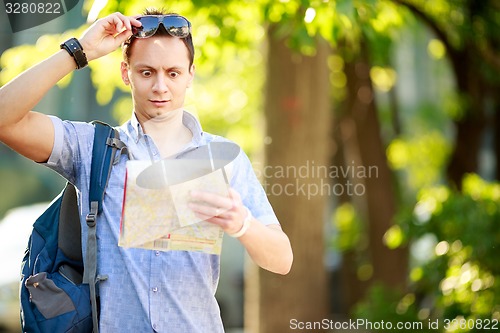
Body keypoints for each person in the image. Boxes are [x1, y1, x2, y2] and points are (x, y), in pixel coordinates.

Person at [0, 8, 293, 333]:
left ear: (191, 75)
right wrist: (79, 51)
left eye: (173, 73)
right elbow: (4, 118)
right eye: (147, 72)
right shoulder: (90, 148)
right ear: (126, 73)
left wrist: (243, 225)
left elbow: (282, 260)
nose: (160, 87)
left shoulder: (222, 157)